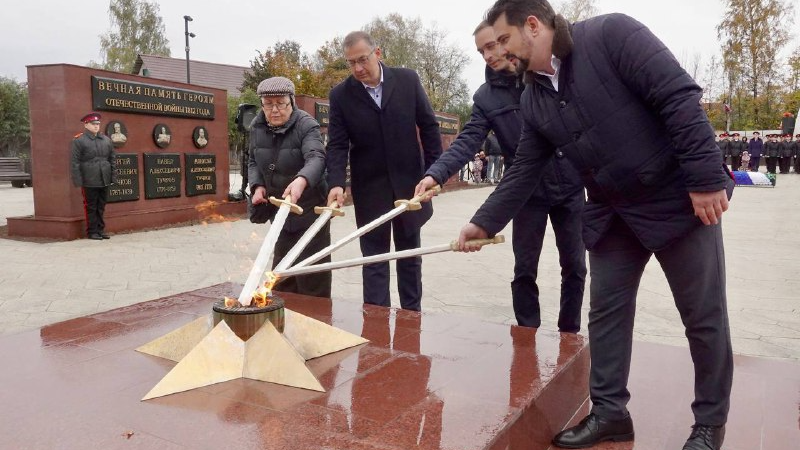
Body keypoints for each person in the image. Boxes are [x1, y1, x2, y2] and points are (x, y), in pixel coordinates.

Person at [459, 2, 734, 449]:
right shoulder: (533, 95)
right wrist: (482, 222)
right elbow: (526, 166)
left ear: (533, 25)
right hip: (612, 211)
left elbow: (677, 96)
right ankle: (609, 413)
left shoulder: (611, 36)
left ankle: (708, 425)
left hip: (678, 200)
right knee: (606, 313)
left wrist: (704, 179)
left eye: (504, 39)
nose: (499, 52)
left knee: (703, 318)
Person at [415, 19, 585, 332]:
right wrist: (436, 174)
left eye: (492, 45)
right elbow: (467, 140)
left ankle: (569, 334)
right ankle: (526, 333)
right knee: (524, 269)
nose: (488, 55)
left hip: (571, 185)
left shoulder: (542, 73)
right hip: (526, 193)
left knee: (575, 266)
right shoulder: (486, 97)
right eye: (481, 51)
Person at [326, 31, 442, 311]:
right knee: (373, 260)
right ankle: (376, 326)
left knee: (410, 257)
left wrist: (435, 172)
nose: (357, 68)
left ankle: (411, 319)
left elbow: (428, 126)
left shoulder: (407, 80)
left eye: (362, 60)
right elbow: (338, 144)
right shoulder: (341, 95)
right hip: (370, 190)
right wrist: (336, 183)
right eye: (351, 63)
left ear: (377, 53)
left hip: (409, 187)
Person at [248, 76, 331, 297]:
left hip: (310, 211)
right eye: (268, 104)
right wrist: (257, 186)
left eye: (280, 103)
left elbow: (316, 157)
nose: (274, 110)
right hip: (280, 214)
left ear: (291, 101)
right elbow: (253, 160)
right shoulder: (257, 126)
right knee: (282, 277)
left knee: (312, 276)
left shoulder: (306, 125)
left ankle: (316, 324)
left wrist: (301, 180)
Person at [70, 112, 116, 240]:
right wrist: (78, 180)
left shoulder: (106, 140)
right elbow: (75, 162)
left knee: (101, 206)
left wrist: (113, 177)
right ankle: (92, 232)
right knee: (91, 206)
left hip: (104, 178)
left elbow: (112, 159)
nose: (96, 126)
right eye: (93, 124)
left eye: (98, 124)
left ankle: (100, 230)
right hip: (89, 178)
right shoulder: (79, 140)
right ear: (86, 125)